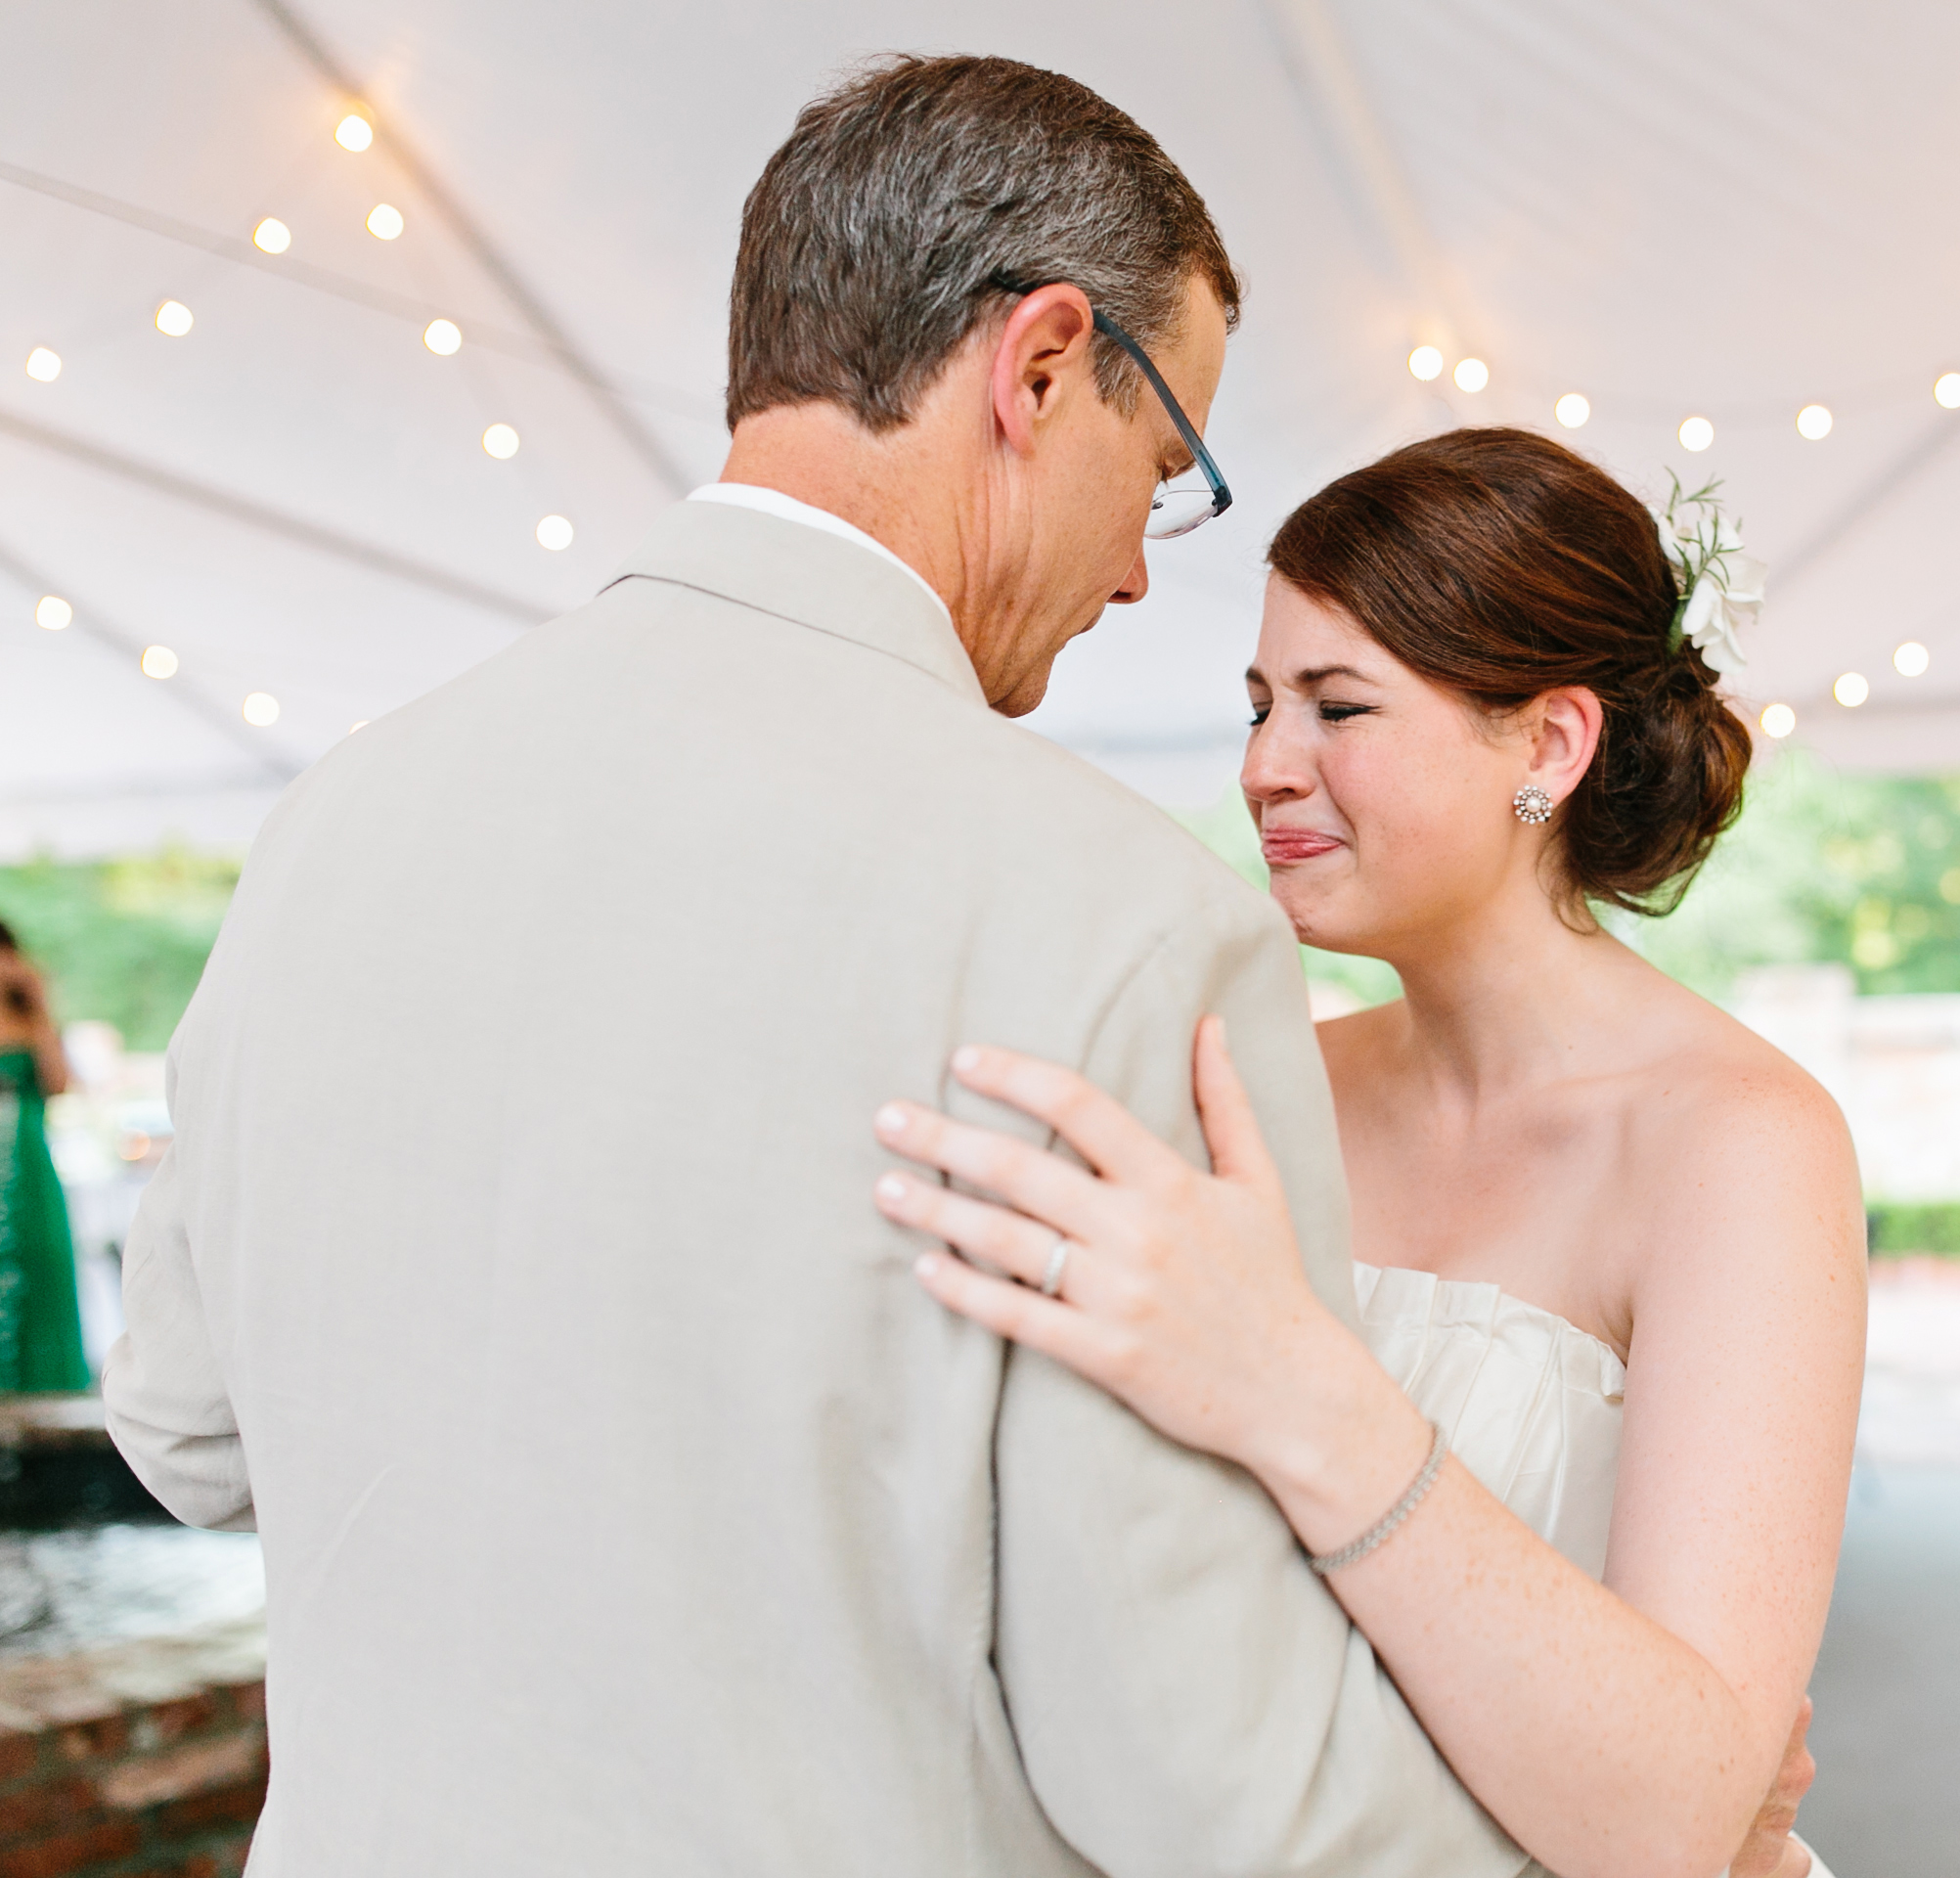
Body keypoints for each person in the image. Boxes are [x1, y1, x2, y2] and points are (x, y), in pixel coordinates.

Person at [106, 55, 1635, 1875]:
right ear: (1042, 365)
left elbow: (185, 1434)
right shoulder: (1126, 924)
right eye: (1165, 472)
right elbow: (1198, 1777)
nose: (1144, 576)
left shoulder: (331, 826)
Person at [869, 430, 1867, 1878]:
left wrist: (1299, 1389)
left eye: (1339, 707)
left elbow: (1670, 1817)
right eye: (1262, 706)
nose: (1268, 768)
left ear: (1549, 747)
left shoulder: (1739, 1147)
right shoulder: (1263, 1084)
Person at [0, 918, 91, 1393]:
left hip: (29, 1164)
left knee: (41, 1265)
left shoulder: (30, 1016)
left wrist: (38, 1006)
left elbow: (59, 1085)